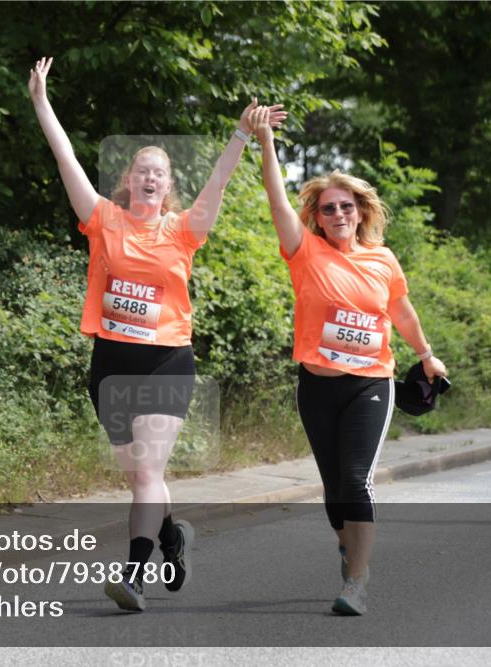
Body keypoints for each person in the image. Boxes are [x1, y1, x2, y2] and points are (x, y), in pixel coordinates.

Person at [29, 57, 284, 612]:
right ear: (128, 181)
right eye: (141, 169)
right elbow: (66, 158)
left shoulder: (185, 230)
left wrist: (242, 133)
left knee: (147, 471)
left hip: (167, 361)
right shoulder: (101, 220)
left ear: (168, 187)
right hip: (110, 362)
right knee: (142, 480)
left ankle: (134, 576)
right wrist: (42, 102)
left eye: (159, 173)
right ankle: (172, 538)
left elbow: (219, 180)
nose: (149, 177)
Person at [248, 106, 448, 616]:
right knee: (334, 487)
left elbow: (400, 309)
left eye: (346, 207)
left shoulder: (382, 259)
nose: (339, 215)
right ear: (316, 216)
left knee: (357, 479)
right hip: (317, 385)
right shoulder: (304, 251)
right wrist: (266, 139)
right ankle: (346, 544)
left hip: (370, 384)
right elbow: (275, 198)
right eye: (329, 209)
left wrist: (426, 355)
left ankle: (357, 581)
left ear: (361, 211)